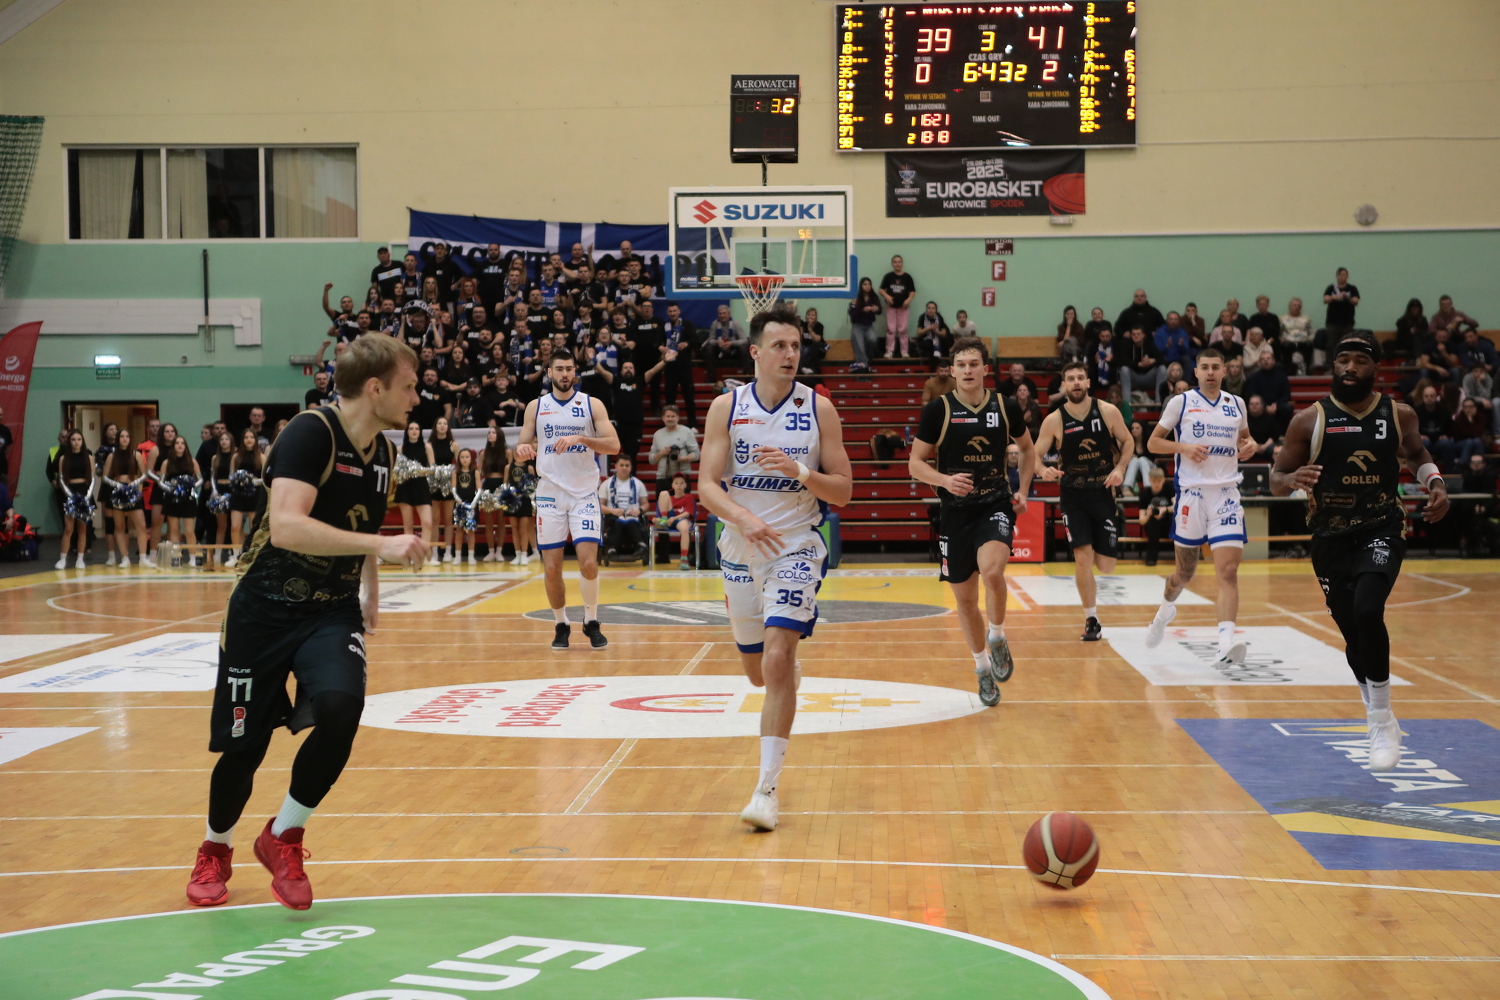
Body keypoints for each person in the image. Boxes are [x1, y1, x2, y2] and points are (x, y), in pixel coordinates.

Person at [184, 335, 425, 911]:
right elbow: (288, 526)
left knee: (341, 710)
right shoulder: (309, 433)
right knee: (244, 748)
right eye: (409, 386)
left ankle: (284, 834)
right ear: (376, 388)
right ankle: (215, 848)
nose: (416, 397)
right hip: (263, 611)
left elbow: (360, 524)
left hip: (331, 609)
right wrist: (381, 547)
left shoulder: (384, 454)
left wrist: (371, 592)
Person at [698, 303, 853, 831]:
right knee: (757, 671)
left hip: (797, 546)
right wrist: (742, 517)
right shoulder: (726, 407)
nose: (791, 354)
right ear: (756, 352)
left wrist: (801, 472)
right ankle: (781, 669)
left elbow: (844, 492)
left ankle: (766, 791)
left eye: (796, 346)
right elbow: (707, 485)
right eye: (780, 346)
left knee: (778, 659)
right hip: (741, 548)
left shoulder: (819, 409)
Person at [1272, 336, 1447, 772]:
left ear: (1376, 369)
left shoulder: (1398, 414)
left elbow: (1417, 453)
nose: (1350, 367)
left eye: (1361, 360)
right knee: (1354, 635)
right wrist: (1292, 479)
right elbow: (1276, 479)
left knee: (1368, 610)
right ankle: (1380, 713)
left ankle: (1379, 720)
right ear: (1334, 366)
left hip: (1381, 526)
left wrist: (1436, 483)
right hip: (1330, 537)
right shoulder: (1308, 421)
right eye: (1343, 359)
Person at [909, 337, 1036, 707]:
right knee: (965, 601)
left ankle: (997, 635)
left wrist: (1022, 490)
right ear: (952, 370)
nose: (967, 370)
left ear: (985, 369)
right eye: (961, 365)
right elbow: (915, 464)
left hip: (994, 502)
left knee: (993, 571)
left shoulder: (1005, 405)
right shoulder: (938, 410)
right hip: (954, 511)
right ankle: (982, 668)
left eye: (973, 364)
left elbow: (1028, 449)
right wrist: (944, 480)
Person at [1144, 347, 1258, 665]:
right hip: (1191, 496)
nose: (1210, 372)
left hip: (1226, 494)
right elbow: (1152, 442)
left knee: (1228, 572)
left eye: (1215, 367)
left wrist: (1250, 445)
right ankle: (1164, 612)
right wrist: (1184, 447)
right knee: (1184, 573)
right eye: (1204, 367)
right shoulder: (1181, 402)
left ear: (1224, 371)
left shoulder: (1236, 404)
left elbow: (1246, 439)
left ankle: (1225, 643)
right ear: (1196, 372)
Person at [514, 349, 620, 649]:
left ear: (575, 372)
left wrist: (581, 438)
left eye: (569, 369)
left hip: (583, 493)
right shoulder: (536, 407)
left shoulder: (591, 404)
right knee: (551, 568)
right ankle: (561, 624)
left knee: (588, 563)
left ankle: (591, 620)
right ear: (549, 372)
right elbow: (520, 449)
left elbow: (614, 445)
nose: (564, 374)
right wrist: (521, 451)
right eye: (559, 369)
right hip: (550, 494)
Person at [1034, 361, 1134, 640]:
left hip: (1102, 491)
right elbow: (1034, 455)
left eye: (1080, 377)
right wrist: (1042, 470)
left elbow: (1128, 442)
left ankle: (1110, 535)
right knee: (1082, 557)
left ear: (1088, 382)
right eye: (1071, 378)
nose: (1076, 382)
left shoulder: (1107, 411)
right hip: (1072, 494)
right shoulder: (1054, 420)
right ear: (1064, 385)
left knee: (1106, 566)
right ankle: (1091, 618)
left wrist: (1120, 468)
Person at [156, 435, 202, 564]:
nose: (180, 445)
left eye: (182, 443)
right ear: (173, 446)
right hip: (172, 499)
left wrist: (191, 486)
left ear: (185, 446)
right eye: (177, 443)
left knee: (189, 530)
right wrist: (172, 489)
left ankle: (193, 558)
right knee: (174, 529)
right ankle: (176, 557)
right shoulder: (167, 463)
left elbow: (200, 480)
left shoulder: (192, 462)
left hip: (188, 499)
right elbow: (160, 482)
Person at [394, 421, 435, 553]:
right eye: (411, 429)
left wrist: (418, 469)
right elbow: (396, 470)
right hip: (405, 485)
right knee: (408, 525)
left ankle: (425, 553)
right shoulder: (400, 449)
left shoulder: (427, 447)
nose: (414, 431)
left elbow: (433, 469)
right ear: (407, 432)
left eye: (417, 429)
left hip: (421, 485)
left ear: (420, 431)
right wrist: (407, 471)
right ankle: (410, 554)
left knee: (427, 523)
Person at [226, 427, 264, 567]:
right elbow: (231, 477)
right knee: (235, 526)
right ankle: (236, 555)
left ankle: (253, 555)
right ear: (242, 440)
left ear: (255, 440)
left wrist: (251, 481)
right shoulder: (236, 457)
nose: (249, 440)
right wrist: (239, 480)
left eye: (251, 437)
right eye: (246, 437)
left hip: (255, 495)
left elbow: (266, 478)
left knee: (254, 527)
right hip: (238, 495)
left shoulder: (261, 457)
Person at [55, 430, 93, 569]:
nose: (76, 442)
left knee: (82, 528)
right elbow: (60, 479)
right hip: (70, 492)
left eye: (79, 439)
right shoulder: (63, 458)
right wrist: (70, 495)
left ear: (82, 441)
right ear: (69, 442)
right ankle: (63, 559)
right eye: (73, 439)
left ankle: (80, 559)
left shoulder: (89, 457)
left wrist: (87, 496)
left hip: (84, 492)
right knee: (69, 528)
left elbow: (93, 479)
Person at [599, 456, 648, 562]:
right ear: (616, 466)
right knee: (618, 521)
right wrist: (612, 511)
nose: (624, 468)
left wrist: (639, 510)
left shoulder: (638, 483)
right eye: (621, 465)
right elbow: (600, 506)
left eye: (627, 465)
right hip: (613, 516)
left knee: (631, 520)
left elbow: (645, 504)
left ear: (631, 467)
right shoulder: (606, 484)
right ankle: (611, 549)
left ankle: (641, 545)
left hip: (633, 516)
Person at [656, 472, 698, 570]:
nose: (679, 485)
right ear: (672, 485)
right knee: (663, 493)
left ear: (685, 485)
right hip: (668, 519)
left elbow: (687, 513)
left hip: (681, 519)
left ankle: (684, 559)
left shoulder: (688, 497)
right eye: (676, 483)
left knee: (684, 527)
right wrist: (659, 520)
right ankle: (664, 520)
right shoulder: (669, 499)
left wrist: (674, 518)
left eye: (681, 483)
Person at [503, 446, 538, 565]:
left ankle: (524, 554)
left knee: (523, 529)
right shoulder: (508, 467)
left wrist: (529, 496)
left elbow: (533, 485)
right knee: (514, 528)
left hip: (525, 500)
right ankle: (517, 554)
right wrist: (508, 495)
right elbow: (505, 483)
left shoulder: (529, 468)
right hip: (512, 500)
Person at [428, 417, 457, 562]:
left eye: (445, 423)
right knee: (434, 520)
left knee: (448, 519)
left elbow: (459, 467)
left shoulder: (454, 445)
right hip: (434, 484)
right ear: (435, 427)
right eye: (439, 423)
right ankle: (434, 551)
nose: (442, 426)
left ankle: (448, 551)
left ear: (448, 427)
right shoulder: (429, 445)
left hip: (448, 485)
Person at [478, 427, 508, 561]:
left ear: (499, 435)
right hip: (488, 486)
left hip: (502, 485)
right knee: (488, 522)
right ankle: (490, 551)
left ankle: (499, 551)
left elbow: (509, 470)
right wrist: (478, 488)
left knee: (501, 521)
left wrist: (506, 487)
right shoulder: (484, 453)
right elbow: (478, 472)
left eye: (493, 432)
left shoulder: (507, 452)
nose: (490, 435)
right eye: (489, 433)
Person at [650, 405, 700, 484]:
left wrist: (682, 458)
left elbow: (696, 454)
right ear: (663, 418)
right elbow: (651, 460)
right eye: (668, 416)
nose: (670, 419)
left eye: (673, 416)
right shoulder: (657, 434)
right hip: (662, 476)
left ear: (678, 417)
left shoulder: (686, 432)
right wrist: (661, 453)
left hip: (682, 476)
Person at [701, 303, 748, 387]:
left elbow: (744, 340)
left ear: (729, 314)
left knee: (743, 348)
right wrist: (717, 342)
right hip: (720, 350)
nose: (722, 316)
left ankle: (747, 376)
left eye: (724, 313)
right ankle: (711, 377)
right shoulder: (715, 324)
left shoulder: (735, 323)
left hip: (733, 349)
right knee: (708, 349)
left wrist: (732, 343)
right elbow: (710, 340)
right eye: (720, 314)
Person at [1413, 383, 1456, 470]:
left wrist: (1446, 435)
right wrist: (1419, 436)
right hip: (1424, 442)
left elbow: (1451, 428)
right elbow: (1412, 430)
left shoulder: (1444, 411)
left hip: (1439, 442)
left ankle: (1450, 472)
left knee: (1447, 443)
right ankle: (1421, 472)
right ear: (1422, 397)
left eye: (1431, 396)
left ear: (1436, 397)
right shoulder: (1416, 411)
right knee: (1423, 443)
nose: (1429, 398)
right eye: (1426, 396)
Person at [879, 255, 915, 358]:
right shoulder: (888, 276)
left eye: (899, 262)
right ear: (892, 264)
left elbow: (912, 291)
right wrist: (886, 296)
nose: (897, 264)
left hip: (903, 307)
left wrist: (908, 299)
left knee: (903, 329)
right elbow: (881, 289)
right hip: (891, 307)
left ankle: (904, 351)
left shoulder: (907, 277)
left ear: (902, 263)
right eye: (895, 262)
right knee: (891, 329)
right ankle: (889, 351)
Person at [1118, 325, 1165, 401]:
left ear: (1143, 335)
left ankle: (1159, 402)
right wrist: (1138, 364)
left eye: (1138, 334)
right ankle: (1127, 403)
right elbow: (1121, 361)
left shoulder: (1150, 344)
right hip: (1133, 378)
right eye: (1134, 334)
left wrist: (1153, 360)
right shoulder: (1127, 344)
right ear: (1131, 335)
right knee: (1124, 369)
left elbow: (1163, 359)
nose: (1136, 336)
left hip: (1148, 377)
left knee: (1162, 368)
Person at [1139, 465, 1173, 566]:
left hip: (1168, 525)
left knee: (1176, 517)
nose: (1156, 484)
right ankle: (1151, 559)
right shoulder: (1145, 494)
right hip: (1153, 528)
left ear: (1163, 480)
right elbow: (1141, 520)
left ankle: (1182, 557)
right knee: (1154, 522)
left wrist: (1165, 509)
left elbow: (1177, 506)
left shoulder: (1169, 488)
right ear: (1149, 480)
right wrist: (1148, 515)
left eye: (1159, 481)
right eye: (1154, 482)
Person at [451, 448, 480, 564]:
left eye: (467, 457)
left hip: (472, 504)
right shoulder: (455, 472)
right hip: (460, 504)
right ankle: (457, 555)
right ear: (458, 459)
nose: (464, 459)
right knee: (459, 530)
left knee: (471, 530)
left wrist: (474, 503)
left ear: (471, 459)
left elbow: (479, 489)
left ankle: (471, 556)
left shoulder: (475, 472)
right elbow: (453, 488)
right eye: (462, 457)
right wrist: (457, 499)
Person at [847, 277, 882, 371]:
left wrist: (876, 309)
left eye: (869, 284)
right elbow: (852, 313)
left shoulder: (874, 297)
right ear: (861, 286)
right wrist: (862, 310)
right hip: (857, 326)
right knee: (859, 346)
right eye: (865, 284)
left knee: (873, 340)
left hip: (868, 325)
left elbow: (880, 310)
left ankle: (867, 357)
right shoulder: (857, 298)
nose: (867, 286)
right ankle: (864, 367)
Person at [1322, 267, 1359, 339]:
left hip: (1348, 323)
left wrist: (1347, 297)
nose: (1341, 277)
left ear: (1347, 276)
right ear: (1336, 276)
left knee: (1347, 342)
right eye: (1339, 275)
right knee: (1332, 343)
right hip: (1332, 323)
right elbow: (1325, 299)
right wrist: (1334, 297)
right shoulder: (1331, 288)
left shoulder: (1352, 288)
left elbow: (1356, 301)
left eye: (1343, 275)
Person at [1279, 297, 1315, 371]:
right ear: (1290, 306)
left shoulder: (1306, 319)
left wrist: (1310, 339)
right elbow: (1278, 332)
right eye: (1294, 305)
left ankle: (1307, 369)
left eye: (1299, 306)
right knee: (1285, 346)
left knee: (1309, 345)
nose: (1296, 307)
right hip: (1289, 341)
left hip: (1303, 341)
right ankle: (1288, 369)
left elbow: (1311, 332)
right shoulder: (1282, 319)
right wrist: (1281, 339)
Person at [1453, 397, 1489, 466]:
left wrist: (1471, 421)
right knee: (1469, 442)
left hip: (1476, 442)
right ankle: (1463, 466)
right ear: (1463, 408)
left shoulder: (1481, 417)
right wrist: (1470, 421)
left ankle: (1479, 465)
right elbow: (1464, 434)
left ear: (1475, 408)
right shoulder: (1459, 418)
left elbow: (1479, 432)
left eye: (1471, 407)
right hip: (1460, 443)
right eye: (1466, 407)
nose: (1468, 409)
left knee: (1477, 441)